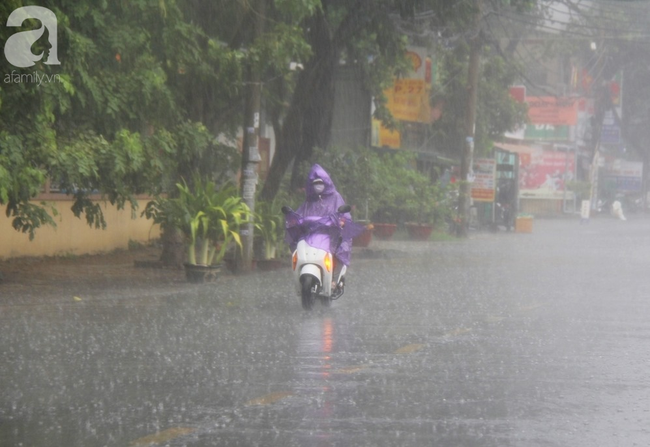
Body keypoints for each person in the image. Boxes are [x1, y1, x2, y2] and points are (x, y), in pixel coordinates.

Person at [295, 164, 353, 285]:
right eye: (315, 183)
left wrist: (342, 221)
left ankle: (332, 278)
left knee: (337, 250)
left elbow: (345, 215)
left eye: (320, 183)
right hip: (311, 235)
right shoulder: (309, 200)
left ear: (326, 182)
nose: (318, 186)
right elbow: (299, 213)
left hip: (330, 234)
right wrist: (294, 220)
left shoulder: (335, 197)